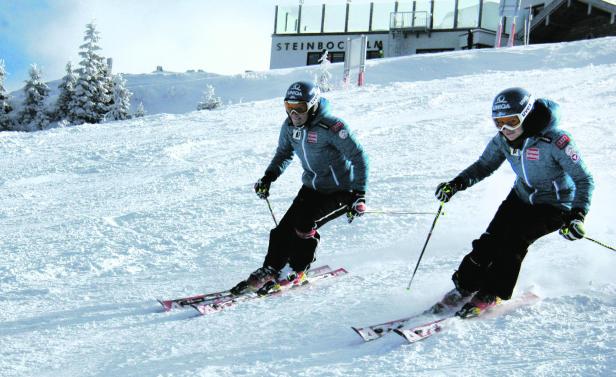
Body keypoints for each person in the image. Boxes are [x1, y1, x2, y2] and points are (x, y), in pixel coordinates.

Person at [432, 87, 594, 318]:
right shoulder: (503, 140)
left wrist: (578, 216)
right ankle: (465, 286)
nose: (505, 129)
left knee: (513, 243)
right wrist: (456, 184)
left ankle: (493, 292)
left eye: (511, 121)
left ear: (526, 116)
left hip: (556, 205)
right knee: (489, 241)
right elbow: (484, 165)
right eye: (498, 123)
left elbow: (584, 179)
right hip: (521, 197)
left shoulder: (556, 141)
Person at [231, 81, 369, 295]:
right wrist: (269, 177)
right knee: (282, 231)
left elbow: (358, 157)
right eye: (289, 107)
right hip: (312, 187)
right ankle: (272, 268)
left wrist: (359, 195)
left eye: (300, 108)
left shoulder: (332, 127)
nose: (294, 114)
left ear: (312, 106)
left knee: (305, 225)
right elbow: (284, 153)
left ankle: (297, 269)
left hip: (342, 191)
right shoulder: (289, 127)